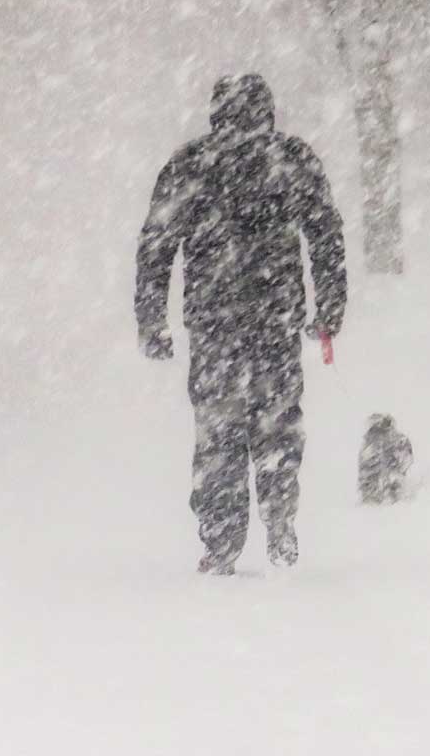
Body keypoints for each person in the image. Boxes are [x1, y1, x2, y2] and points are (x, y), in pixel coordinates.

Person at [135, 73, 347, 575]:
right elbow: (325, 234)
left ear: (216, 113)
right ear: (267, 111)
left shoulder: (191, 165)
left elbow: (156, 248)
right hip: (275, 318)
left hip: (214, 325)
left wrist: (152, 321)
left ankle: (221, 543)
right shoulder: (291, 160)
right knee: (276, 423)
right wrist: (330, 307)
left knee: (219, 433)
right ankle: (279, 522)